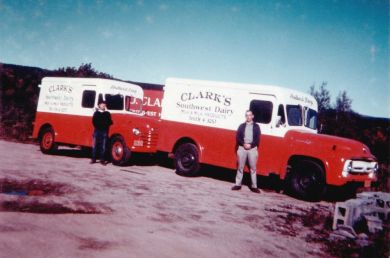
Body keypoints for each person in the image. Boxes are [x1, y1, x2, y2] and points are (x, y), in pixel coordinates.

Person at [232, 110, 261, 193]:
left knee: (253, 168)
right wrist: (243, 144)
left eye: (250, 115)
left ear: (252, 116)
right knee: (240, 167)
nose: (248, 117)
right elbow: (238, 137)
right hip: (242, 148)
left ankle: (254, 186)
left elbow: (257, 139)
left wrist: (251, 145)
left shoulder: (256, 127)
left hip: (252, 149)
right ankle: (238, 184)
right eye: (247, 115)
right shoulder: (241, 126)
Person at [91, 100, 113, 165]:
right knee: (94, 146)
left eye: (104, 104)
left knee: (103, 146)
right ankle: (93, 159)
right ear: (99, 106)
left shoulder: (107, 113)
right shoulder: (96, 113)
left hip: (104, 131)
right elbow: (94, 122)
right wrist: (102, 124)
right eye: (102, 104)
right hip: (97, 131)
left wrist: (104, 125)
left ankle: (102, 160)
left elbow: (110, 122)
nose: (103, 105)